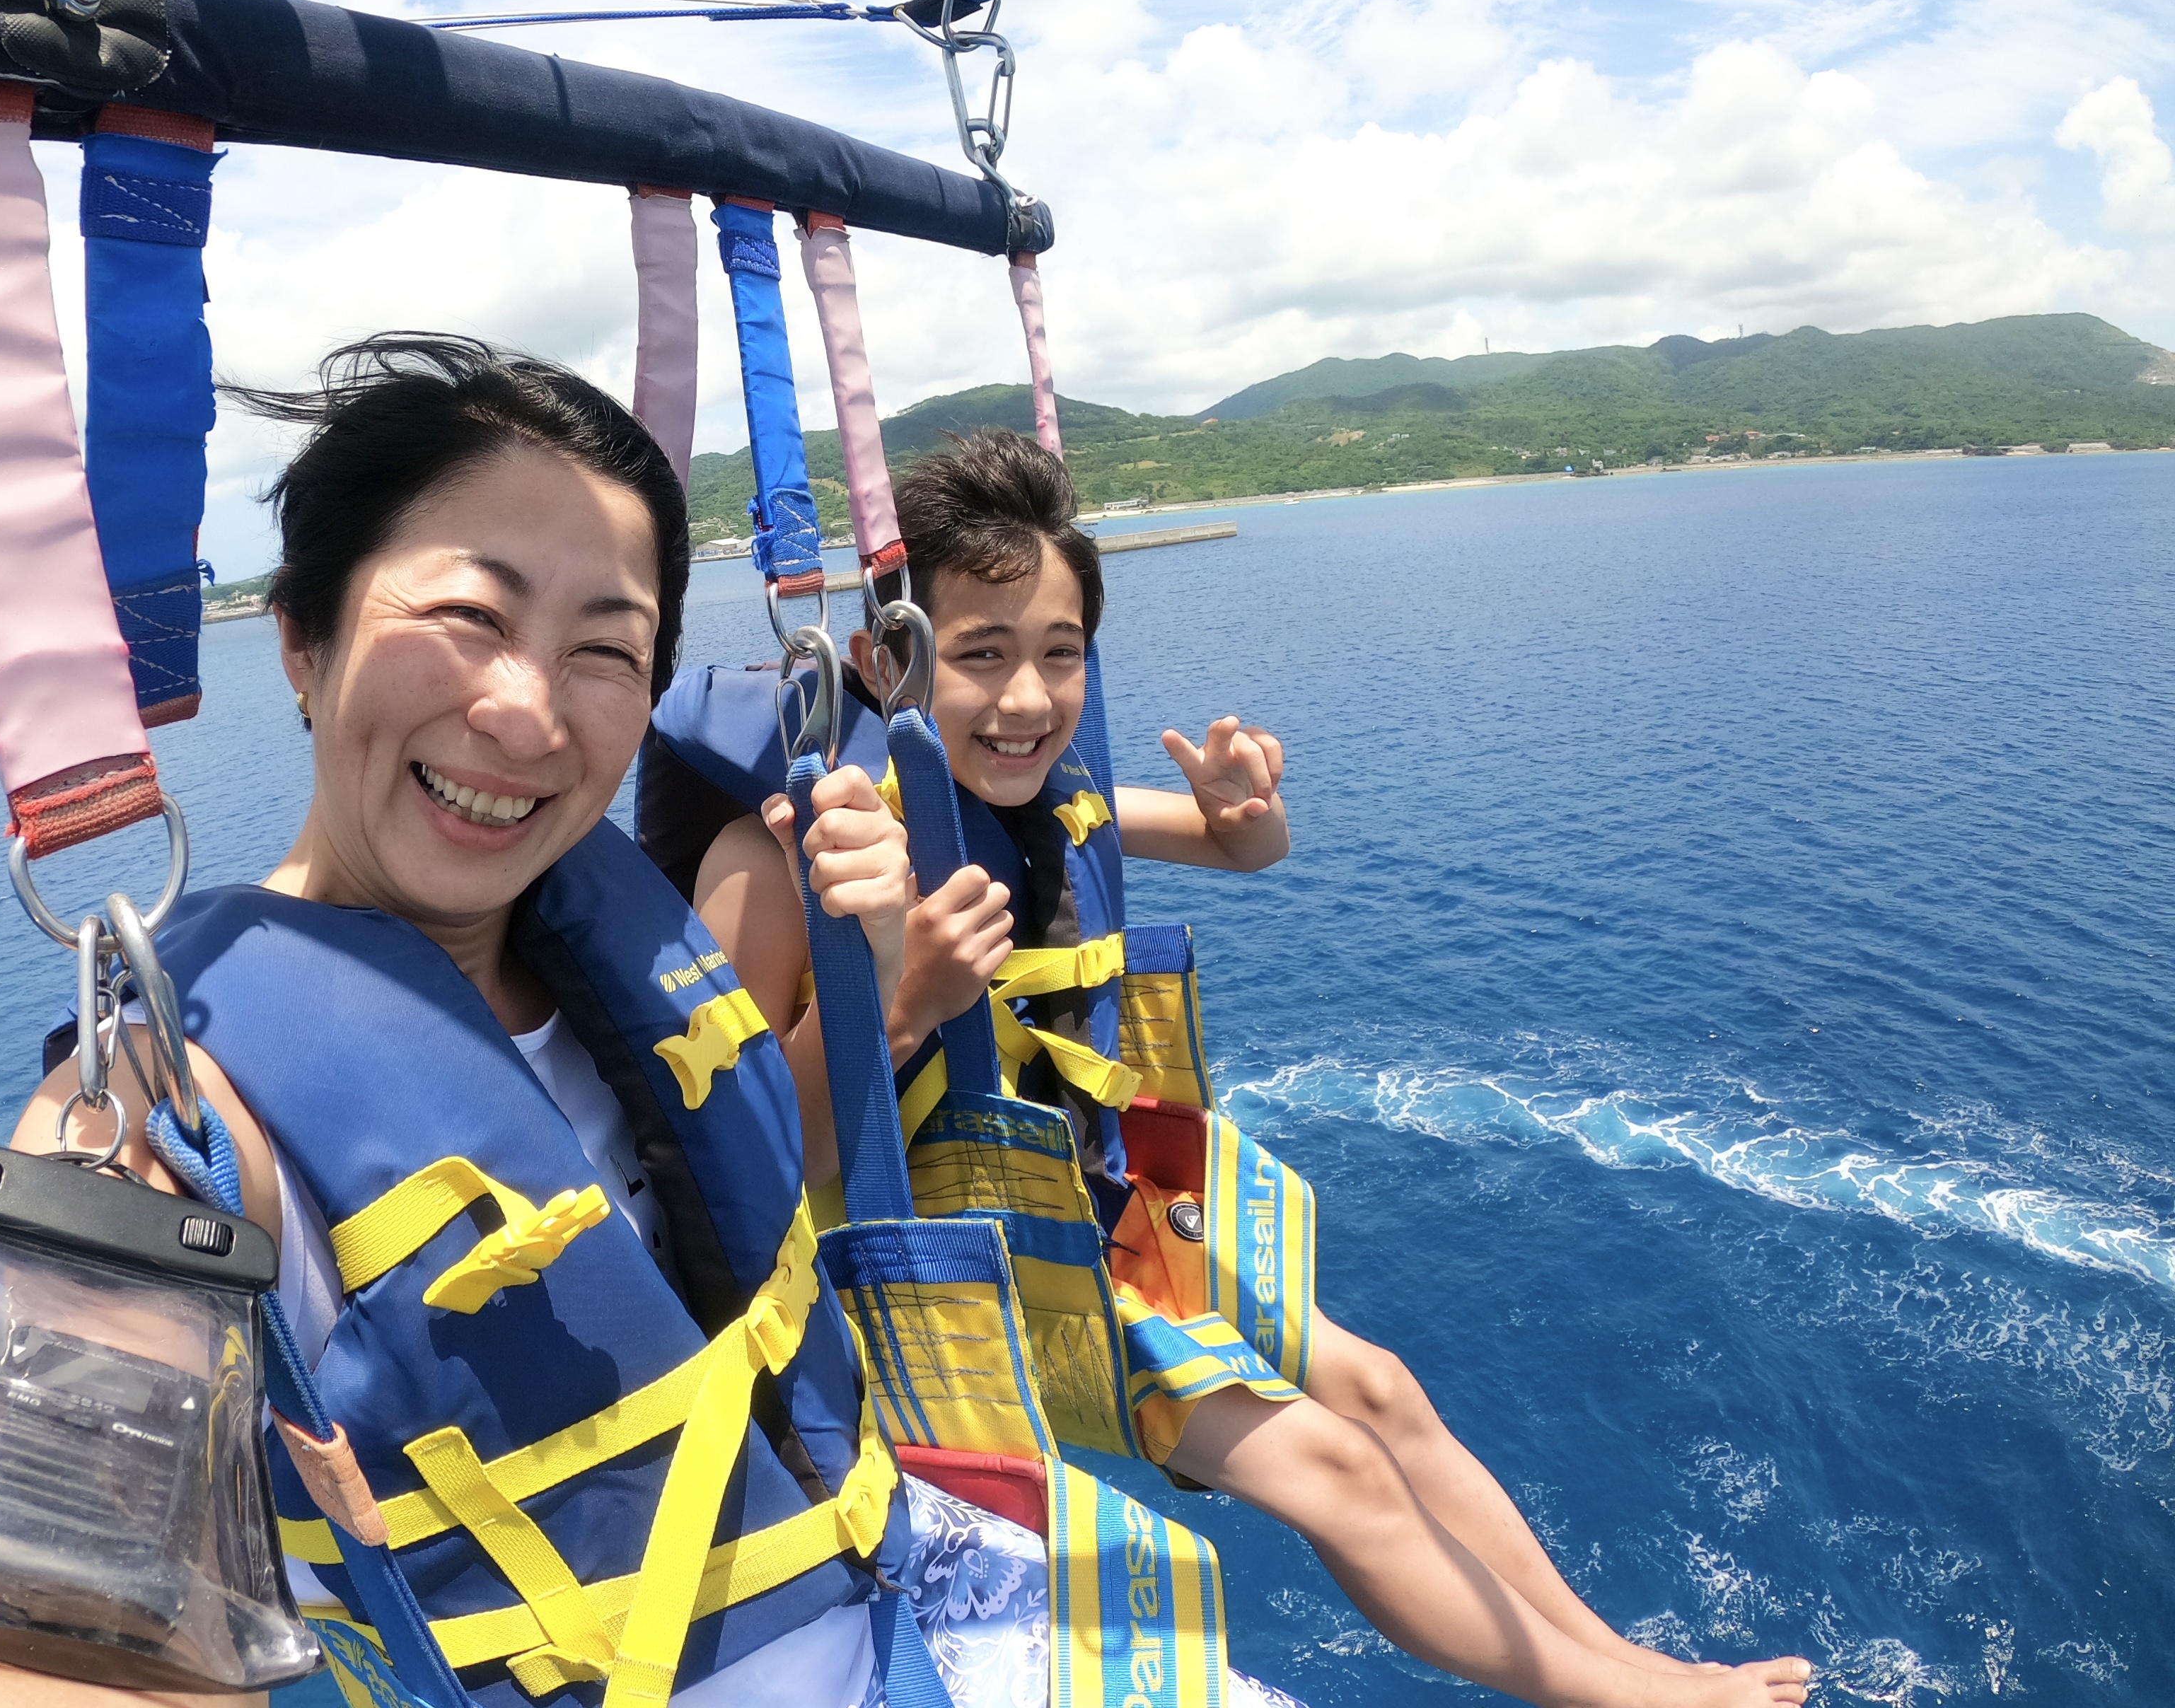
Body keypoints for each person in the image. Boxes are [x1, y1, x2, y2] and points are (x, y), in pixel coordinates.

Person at [0, 344, 1302, 1708]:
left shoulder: (619, 965)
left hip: (907, 1594)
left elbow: (758, 1208)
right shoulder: (166, 1108)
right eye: (468, 617)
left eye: (603, 652)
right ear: (302, 640)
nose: (525, 711)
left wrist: (885, 995)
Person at [651, 426, 1811, 1708]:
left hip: (1090, 1211)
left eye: (1060, 654)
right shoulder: (784, 861)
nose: (1028, 699)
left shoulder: (1041, 799)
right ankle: (1625, 1699)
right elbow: (739, 1168)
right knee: (1339, 1470)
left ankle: (1621, 1660)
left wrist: (1251, 804)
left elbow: (1243, 850)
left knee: (1383, 1388)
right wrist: (904, 1001)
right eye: (980, 657)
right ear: (884, 660)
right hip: (962, 1278)